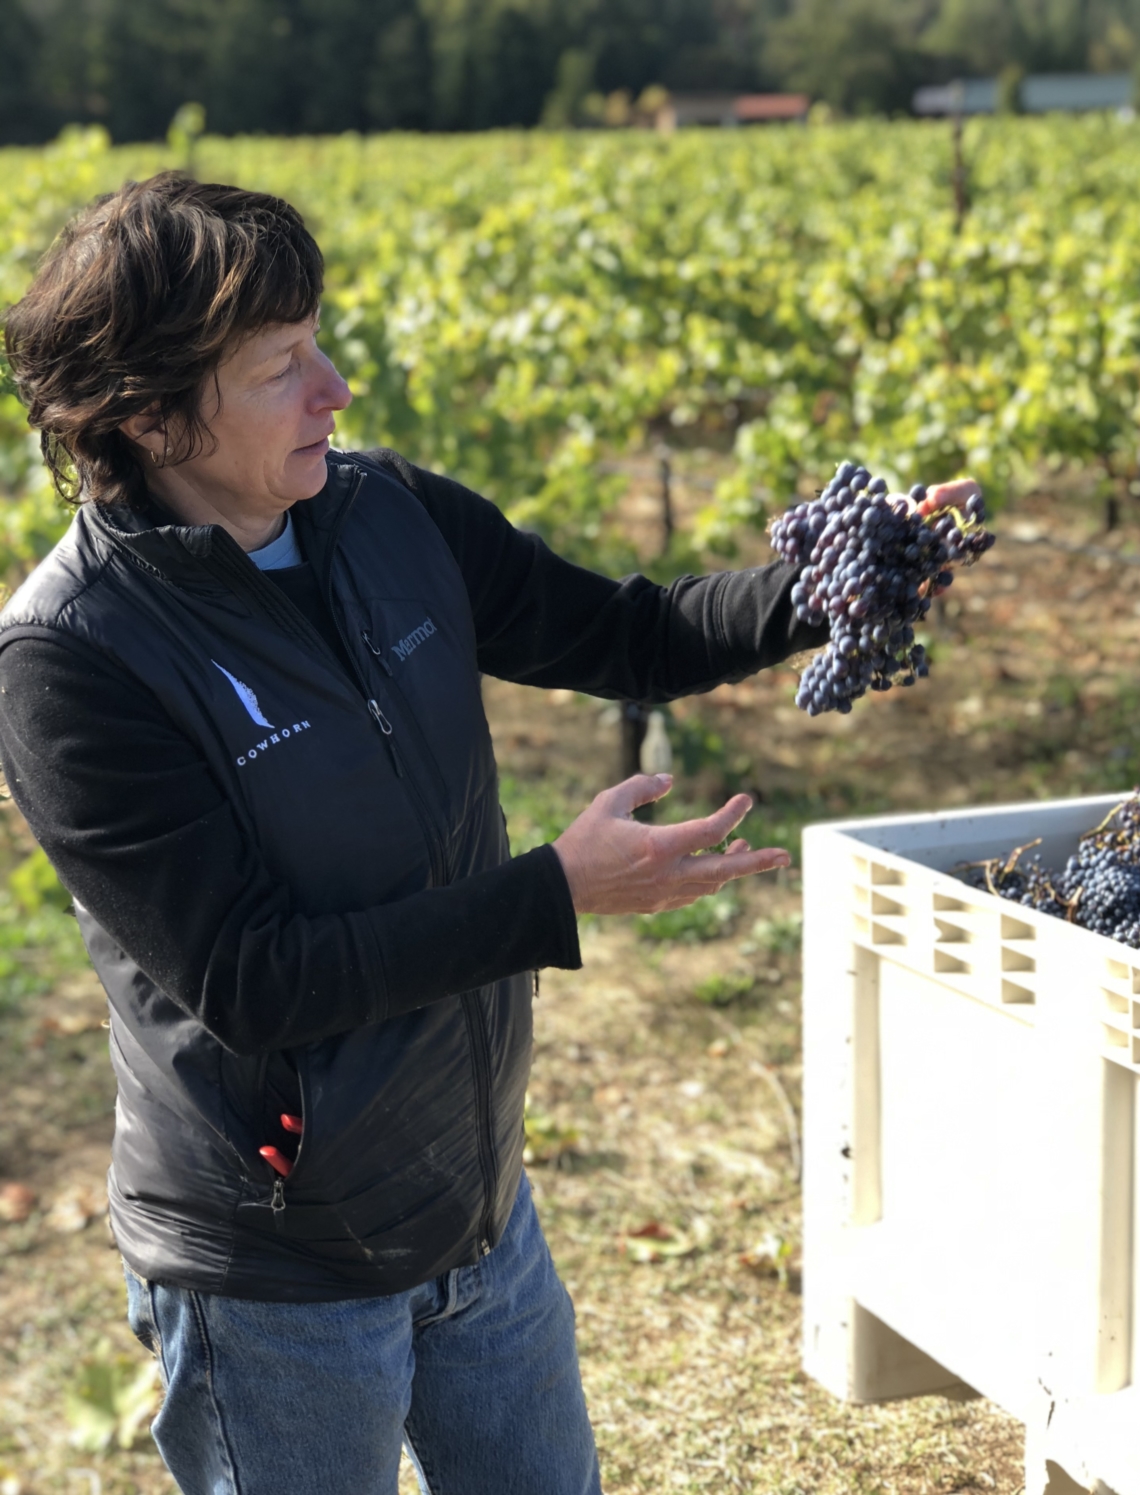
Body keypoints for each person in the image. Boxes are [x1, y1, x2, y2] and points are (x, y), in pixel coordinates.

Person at [0, 174, 976, 1495]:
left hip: (477, 1210)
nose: (335, 388)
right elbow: (253, 981)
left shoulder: (386, 515)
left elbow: (627, 631)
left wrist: (832, 580)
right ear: (147, 413)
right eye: (283, 366)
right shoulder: (72, 658)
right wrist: (555, 895)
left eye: (320, 344)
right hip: (275, 1272)